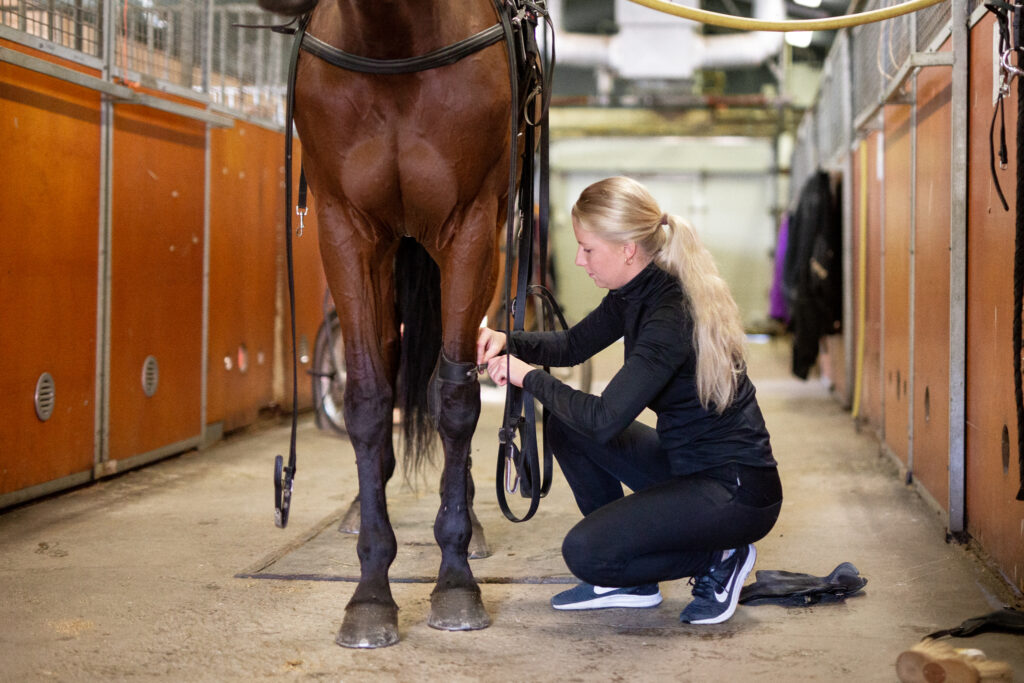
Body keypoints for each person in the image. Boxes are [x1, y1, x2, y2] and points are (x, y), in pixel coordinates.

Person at [477, 176, 782, 625]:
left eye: (587, 248)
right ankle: (633, 580)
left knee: (584, 552)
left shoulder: (668, 314)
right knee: (565, 424)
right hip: (686, 468)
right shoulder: (635, 291)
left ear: (627, 250)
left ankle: (720, 557)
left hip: (736, 492)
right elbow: (573, 344)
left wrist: (527, 378)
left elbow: (605, 420)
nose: (580, 261)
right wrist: (508, 340)